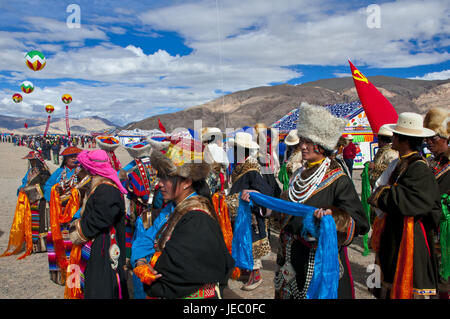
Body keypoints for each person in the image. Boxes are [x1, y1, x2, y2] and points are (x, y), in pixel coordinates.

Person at [274, 102, 369, 299]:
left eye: (308, 142)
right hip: (292, 255)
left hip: (316, 259)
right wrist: (269, 209)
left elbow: (359, 222)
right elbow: (289, 206)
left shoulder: (338, 180)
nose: (303, 146)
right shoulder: (299, 174)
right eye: (302, 140)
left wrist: (332, 217)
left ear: (322, 145)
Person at [132, 147, 234, 299]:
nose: (159, 184)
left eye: (165, 178)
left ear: (186, 182)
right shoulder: (173, 208)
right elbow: (146, 238)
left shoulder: (197, 220)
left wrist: (147, 268)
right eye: (159, 178)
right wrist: (140, 262)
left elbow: (170, 274)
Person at [368, 112, 441, 299]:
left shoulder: (419, 168)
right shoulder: (401, 163)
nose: (392, 138)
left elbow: (410, 200)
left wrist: (381, 194)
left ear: (403, 140)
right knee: (388, 281)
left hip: (411, 238)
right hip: (396, 233)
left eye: (395, 135)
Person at [67, 150, 129, 299]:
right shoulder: (101, 186)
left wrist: (79, 230)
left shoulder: (106, 189)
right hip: (99, 241)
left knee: (101, 285)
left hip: (104, 245)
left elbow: (101, 219)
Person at [226, 131, 274, 291]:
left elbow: (266, 191)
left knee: (252, 243)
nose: (232, 152)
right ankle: (247, 270)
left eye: (235, 149)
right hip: (242, 215)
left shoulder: (251, 170)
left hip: (251, 216)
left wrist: (252, 196)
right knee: (244, 242)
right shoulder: (240, 169)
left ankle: (256, 275)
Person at [43, 146, 91, 285]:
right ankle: (60, 276)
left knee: (75, 246)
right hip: (59, 215)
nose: (74, 158)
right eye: (71, 156)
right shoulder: (59, 172)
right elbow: (47, 187)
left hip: (76, 215)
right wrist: (54, 189)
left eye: (76, 156)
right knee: (59, 244)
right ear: (65, 159)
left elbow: (88, 191)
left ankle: (75, 279)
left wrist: (77, 195)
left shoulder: (83, 174)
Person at [1, 151, 51, 258]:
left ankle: (41, 246)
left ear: (37, 160)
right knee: (30, 223)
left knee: (41, 223)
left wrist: (28, 190)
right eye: (30, 160)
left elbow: (45, 186)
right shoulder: (30, 171)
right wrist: (21, 189)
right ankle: (31, 244)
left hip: (40, 202)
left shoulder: (44, 172)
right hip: (30, 201)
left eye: (33, 160)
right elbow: (24, 182)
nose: (31, 162)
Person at [423, 107, 450, 299]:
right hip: (432, 228)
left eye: (434, 138)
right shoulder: (432, 163)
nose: (428, 142)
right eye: (427, 138)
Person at [368, 124, 399, 189]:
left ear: (381, 139)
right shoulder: (382, 151)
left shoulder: (391, 153)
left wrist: (375, 167)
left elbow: (393, 170)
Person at [201, 127, 229, 194]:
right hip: (216, 179)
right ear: (217, 140)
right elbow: (226, 164)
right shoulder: (219, 150)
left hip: (205, 178)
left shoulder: (204, 149)